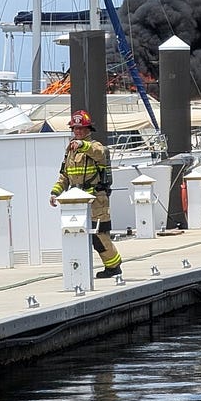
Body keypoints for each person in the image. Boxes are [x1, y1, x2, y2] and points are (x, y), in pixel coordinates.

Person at [50, 110, 122, 278]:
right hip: (78, 201)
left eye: (81, 129)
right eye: (75, 129)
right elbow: (65, 176)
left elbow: (98, 153)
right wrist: (55, 192)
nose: (78, 132)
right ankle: (96, 266)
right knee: (81, 235)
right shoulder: (70, 151)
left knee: (99, 235)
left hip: (97, 199)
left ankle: (114, 266)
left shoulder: (95, 146)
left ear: (88, 129)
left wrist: (82, 145)